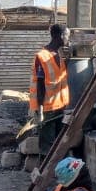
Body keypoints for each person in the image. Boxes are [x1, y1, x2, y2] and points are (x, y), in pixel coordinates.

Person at [29, 25, 70, 153]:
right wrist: (40, 111)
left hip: (60, 106)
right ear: (61, 36)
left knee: (57, 144)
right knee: (47, 146)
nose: (69, 39)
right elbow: (40, 85)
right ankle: (43, 171)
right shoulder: (42, 57)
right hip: (47, 109)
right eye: (68, 35)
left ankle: (55, 171)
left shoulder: (58, 55)